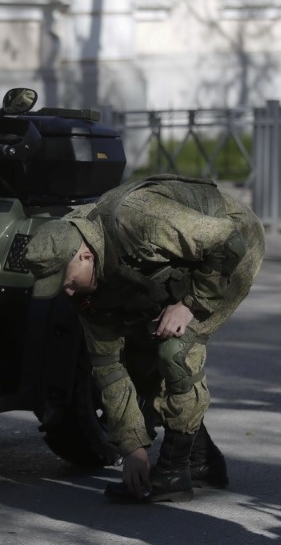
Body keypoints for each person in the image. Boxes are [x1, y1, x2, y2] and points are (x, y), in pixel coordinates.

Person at [22, 174, 265, 503]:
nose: (66, 292)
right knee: (142, 365)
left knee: (176, 350)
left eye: (66, 281)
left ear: (85, 256)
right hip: (183, 262)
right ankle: (202, 460)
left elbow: (227, 240)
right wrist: (132, 447)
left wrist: (190, 305)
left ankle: (175, 471)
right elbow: (108, 367)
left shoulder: (136, 221)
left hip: (233, 241)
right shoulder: (82, 280)